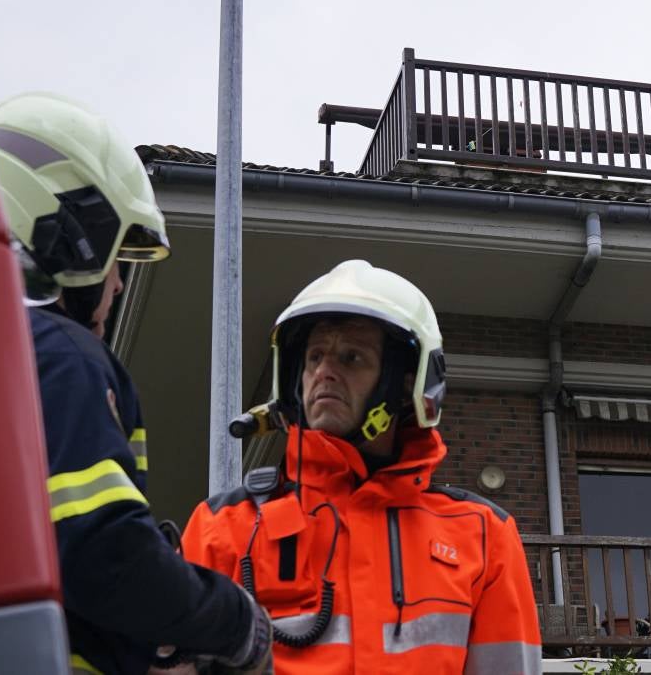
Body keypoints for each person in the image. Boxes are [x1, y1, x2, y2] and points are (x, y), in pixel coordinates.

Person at [0, 92, 271, 675]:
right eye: (115, 256)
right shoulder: (61, 356)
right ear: (70, 233)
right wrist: (236, 622)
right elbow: (104, 557)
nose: (116, 286)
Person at [181, 260, 542, 674]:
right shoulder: (222, 527)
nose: (324, 373)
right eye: (314, 356)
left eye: (352, 358)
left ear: (407, 383)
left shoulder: (481, 536)